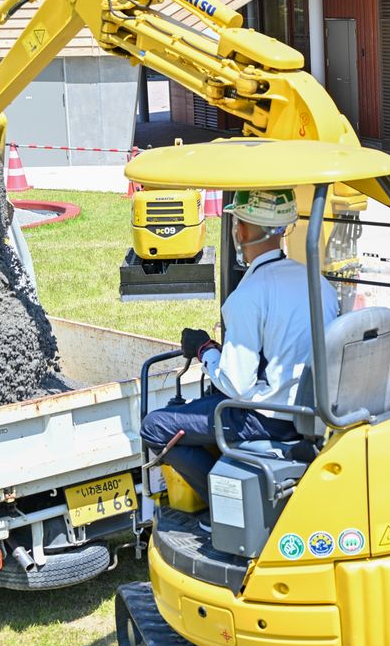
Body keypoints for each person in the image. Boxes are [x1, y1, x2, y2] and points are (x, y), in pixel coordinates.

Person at [140, 189, 338, 506]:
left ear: (241, 230)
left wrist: (205, 350)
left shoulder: (249, 297)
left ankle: (223, 506)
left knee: (155, 427)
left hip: (267, 416)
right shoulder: (318, 282)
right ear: (285, 227)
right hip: (310, 409)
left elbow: (236, 383)